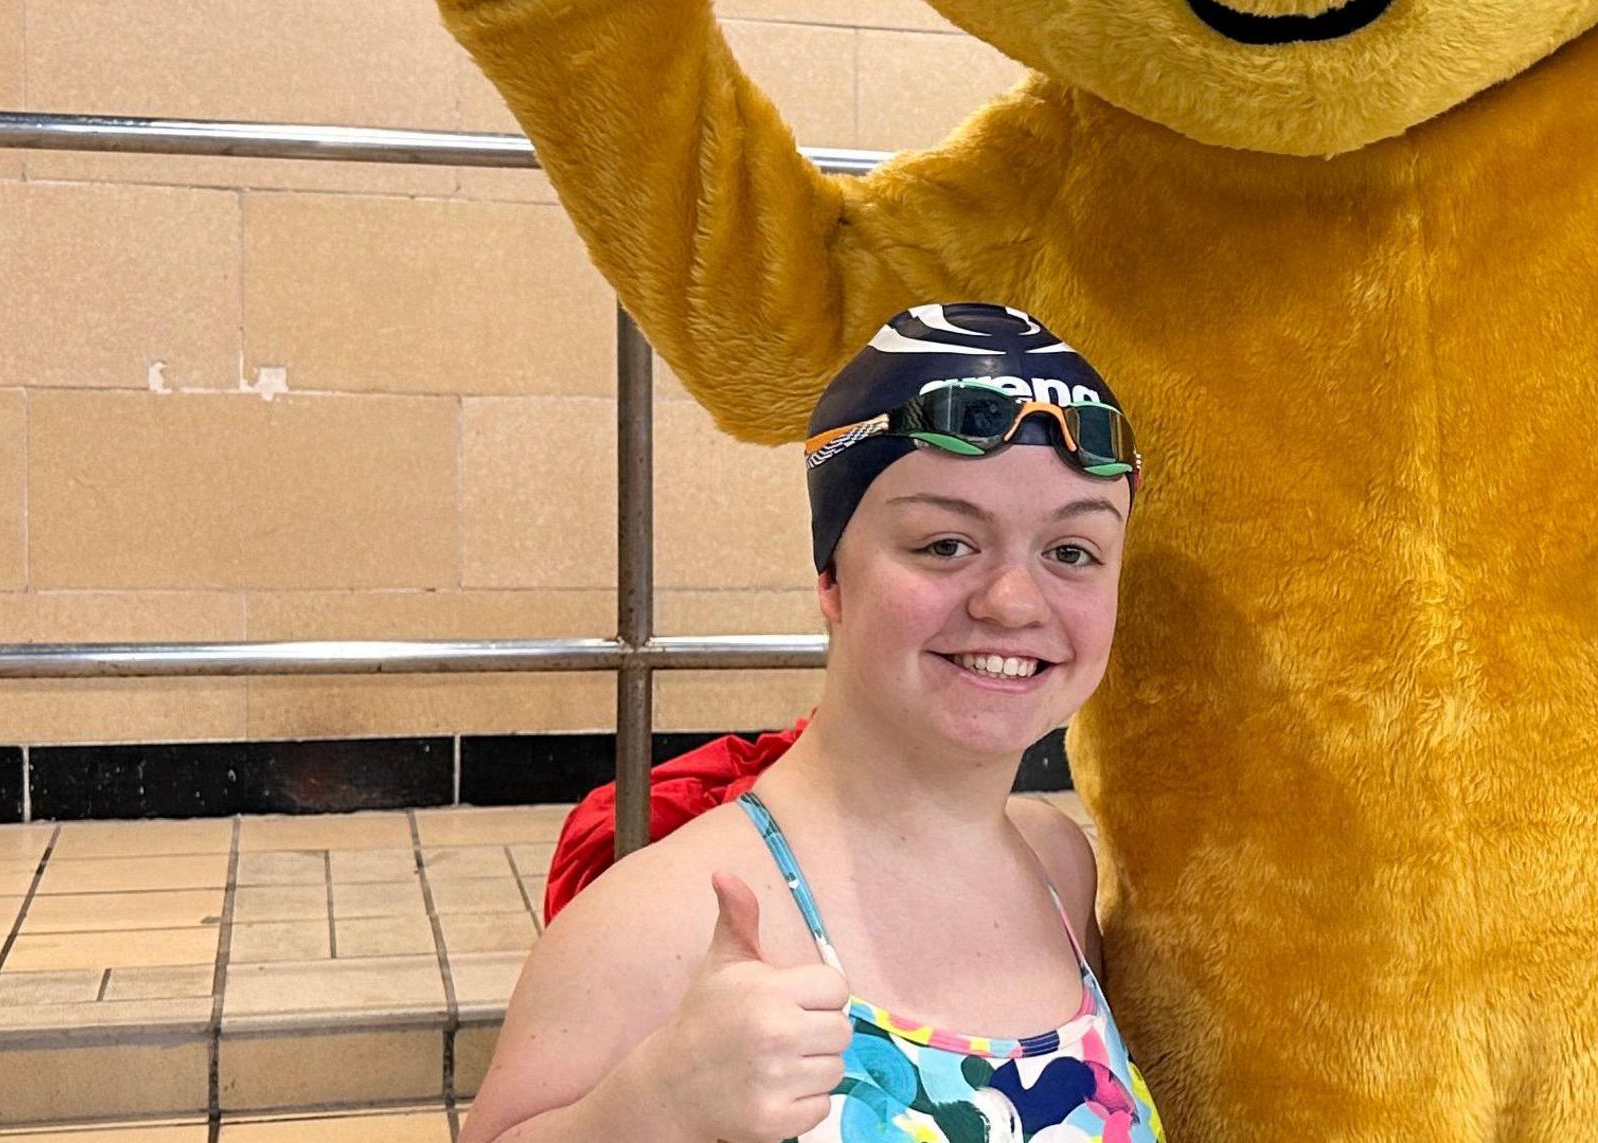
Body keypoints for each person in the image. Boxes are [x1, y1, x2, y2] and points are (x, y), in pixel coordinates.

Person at [462, 303, 1163, 1143]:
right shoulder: (656, 920)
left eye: (1072, 552)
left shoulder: (1057, 865)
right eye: (945, 543)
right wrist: (651, 1105)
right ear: (831, 573)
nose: (1012, 601)